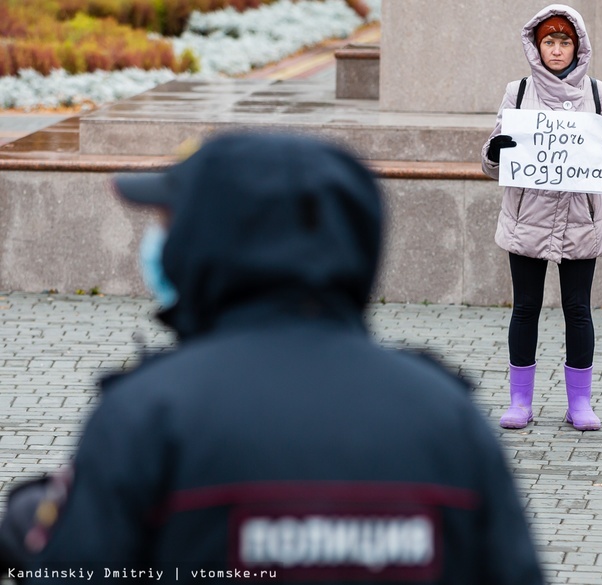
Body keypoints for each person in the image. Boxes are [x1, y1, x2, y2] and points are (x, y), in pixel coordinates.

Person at [4, 131, 544, 584]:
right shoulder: (448, 418)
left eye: (170, 224)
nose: (158, 243)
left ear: (208, 243)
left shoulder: (146, 416)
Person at [481, 4, 602, 432]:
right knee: (524, 308)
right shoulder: (519, 92)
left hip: (581, 220)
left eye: (565, 41)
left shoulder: (599, 94)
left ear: (577, 47)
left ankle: (579, 403)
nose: (557, 49)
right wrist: (495, 151)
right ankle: (519, 401)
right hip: (527, 216)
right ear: (536, 46)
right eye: (550, 41)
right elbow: (492, 162)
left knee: (577, 310)